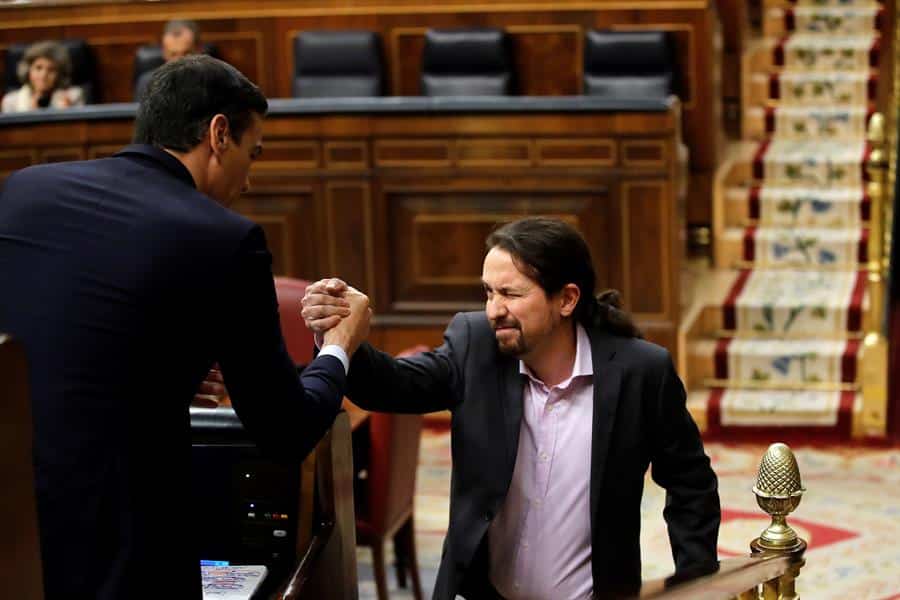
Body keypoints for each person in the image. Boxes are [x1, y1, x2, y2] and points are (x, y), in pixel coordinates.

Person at [0, 54, 370, 599]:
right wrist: (338, 347)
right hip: (124, 549)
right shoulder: (224, 239)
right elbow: (284, 428)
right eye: (253, 152)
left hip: (15, 528)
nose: (248, 179)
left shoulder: (23, 191)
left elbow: (56, 334)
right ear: (219, 134)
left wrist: (158, 367)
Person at [302, 217, 720, 600]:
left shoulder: (639, 373)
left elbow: (690, 481)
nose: (493, 310)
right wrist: (340, 338)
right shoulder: (474, 345)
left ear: (567, 299)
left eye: (511, 294)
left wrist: (695, 580)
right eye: (488, 292)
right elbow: (393, 386)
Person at [1, 40, 84, 112]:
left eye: (51, 70)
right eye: (38, 68)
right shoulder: (10, 102)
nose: (44, 75)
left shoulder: (74, 97)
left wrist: (68, 112)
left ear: (60, 75)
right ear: (28, 70)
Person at [134, 19, 202, 100]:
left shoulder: (212, 80)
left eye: (186, 53)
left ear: (198, 50)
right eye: (173, 54)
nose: (179, 61)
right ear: (164, 53)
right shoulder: (147, 84)